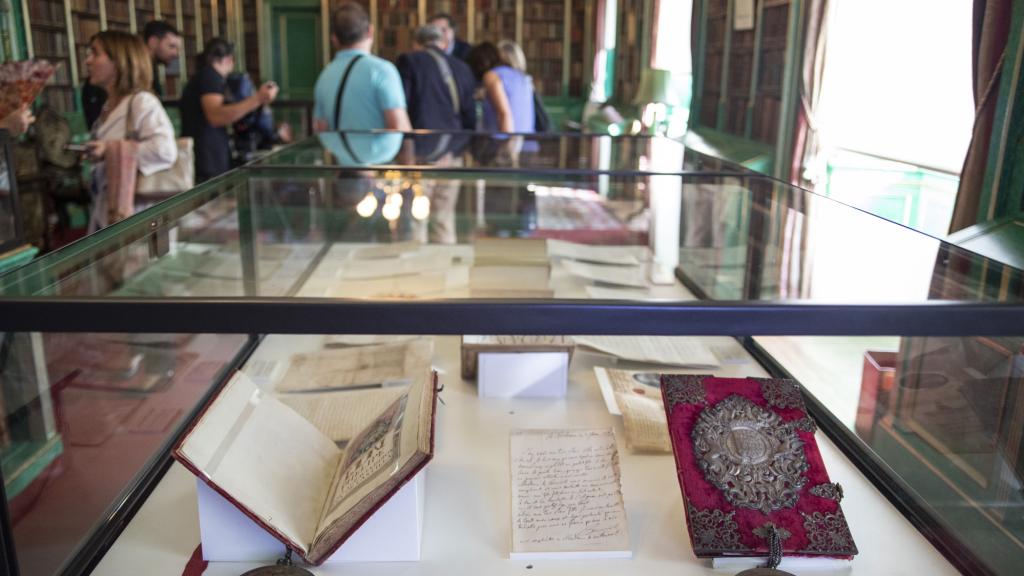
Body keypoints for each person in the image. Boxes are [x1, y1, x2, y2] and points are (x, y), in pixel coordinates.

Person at [81, 31, 177, 231]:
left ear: (119, 61)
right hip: (107, 211)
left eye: (95, 53)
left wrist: (108, 149)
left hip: (139, 218)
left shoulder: (142, 102)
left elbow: (165, 150)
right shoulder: (108, 106)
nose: (87, 61)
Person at [180, 38, 278, 182]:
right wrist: (258, 98)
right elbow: (216, 116)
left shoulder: (207, 76)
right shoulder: (210, 77)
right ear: (228, 59)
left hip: (208, 156)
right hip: (207, 159)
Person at [312, 2, 411, 132]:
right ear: (371, 31)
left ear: (334, 39)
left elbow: (320, 127)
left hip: (338, 151)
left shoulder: (325, 75)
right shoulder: (382, 70)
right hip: (379, 152)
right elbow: (399, 127)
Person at [82, 21, 182, 128]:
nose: (176, 53)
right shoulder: (104, 93)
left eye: (95, 53)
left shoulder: (143, 100)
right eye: (171, 46)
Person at [397, 24, 475, 131]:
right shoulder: (462, 67)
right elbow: (469, 111)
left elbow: (402, 101)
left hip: (421, 135)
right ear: (444, 44)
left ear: (415, 43)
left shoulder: (409, 61)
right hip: (456, 137)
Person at [466, 41, 534, 133]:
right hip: (528, 141)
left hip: (504, 142)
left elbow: (504, 115)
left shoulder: (492, 75)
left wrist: (508, 146)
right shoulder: (523, 78)